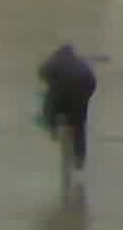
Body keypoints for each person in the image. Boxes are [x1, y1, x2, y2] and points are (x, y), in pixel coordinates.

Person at [37, 43, 98, 192]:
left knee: (50, 104)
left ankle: (53, 128)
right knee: (79, 122)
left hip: (68, 84)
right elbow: (90, 76)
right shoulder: (78, 60)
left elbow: (42, 73)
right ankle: (80, 159)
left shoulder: (53, 61)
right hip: (87, 84)